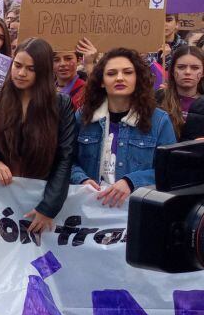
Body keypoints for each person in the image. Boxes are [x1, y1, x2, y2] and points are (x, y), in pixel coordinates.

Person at [0, 38, 77, 236]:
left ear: (42, 72)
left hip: (40, 200)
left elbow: (65, 157)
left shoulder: (60, 105)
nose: (21, 73)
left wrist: (48, 207)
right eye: (17, 65)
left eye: (31, 69)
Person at [70, 48, 176, 207]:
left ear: (137, 78)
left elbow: (170, 171)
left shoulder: (159, 121)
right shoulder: (83, 117)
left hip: (136, 211)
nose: (119, 78)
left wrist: (131, 182)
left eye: (127, 72)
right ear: (101, 81)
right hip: (89, 210)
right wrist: (81, 179)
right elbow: (66, 161)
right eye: (111, 73)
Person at [158, 45, 204, 140]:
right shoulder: (158, 98)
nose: (187, 72)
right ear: (172, 70)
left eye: (195, 68)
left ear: (202, 72)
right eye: (181, 67)